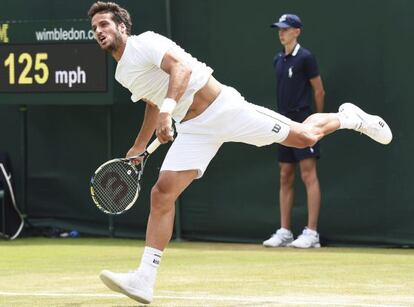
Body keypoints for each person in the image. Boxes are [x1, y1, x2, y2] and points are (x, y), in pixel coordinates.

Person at [88, 2, 392, 304]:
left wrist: (168, 111)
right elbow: (153, 102)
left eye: (104, 24)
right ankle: (145, 278)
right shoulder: (122, 73)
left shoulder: (146, 43)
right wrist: (140, 146)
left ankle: (350, 118)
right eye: (95, 28)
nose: (99, 31)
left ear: (122, 27)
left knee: (304, 136)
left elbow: (180, 68)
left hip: (224, 108)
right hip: (194, 130)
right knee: (162, 193)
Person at [263, 14, 325, 249]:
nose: (281, 33)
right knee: (285, 175)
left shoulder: (306, 58)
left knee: (308, 174)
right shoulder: (278, 59)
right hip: (284, 125)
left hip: (305, 123)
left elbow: (319, 91)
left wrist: (316, 122)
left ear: (297, 31)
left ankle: (312, 233)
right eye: (279, 29)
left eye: (286, 29)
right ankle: (285, 231)